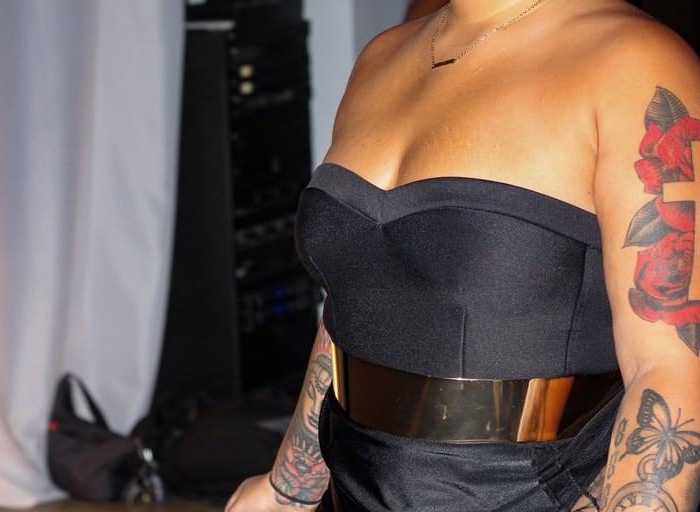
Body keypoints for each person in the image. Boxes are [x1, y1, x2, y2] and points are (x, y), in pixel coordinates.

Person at [225, 0, 700, 510]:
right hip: (352, 482)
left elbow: (670, 370)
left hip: (524, 496)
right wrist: (289, 486)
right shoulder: (382, 56)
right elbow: (356, 302)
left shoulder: (635, 61)